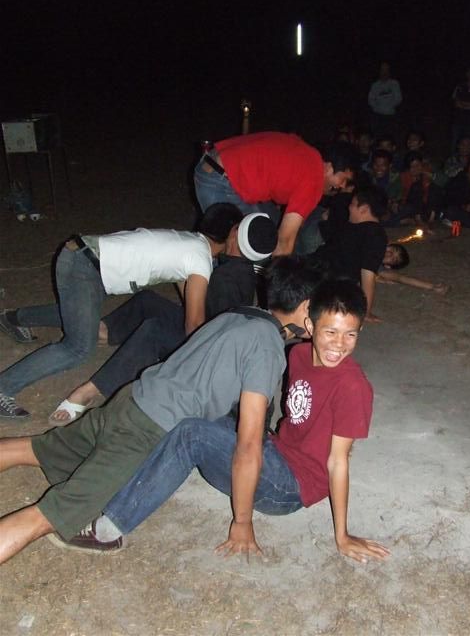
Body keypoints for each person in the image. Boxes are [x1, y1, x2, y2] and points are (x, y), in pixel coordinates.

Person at [0, 257, 322, 565]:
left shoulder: (239, 315)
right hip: (146, 430)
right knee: (49, 516)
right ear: (306, 308)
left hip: (131, 400)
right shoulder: (267, 345)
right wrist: (243, 520)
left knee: (33, 448)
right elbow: (248, 443)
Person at [48, 279, 389, 566]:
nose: (339, 344)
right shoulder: (298, 354)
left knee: (192, 433)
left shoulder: (353, 386)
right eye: (331, 332)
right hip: (276, 451)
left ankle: (108, 531)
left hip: (291, 486)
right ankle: (120, 479)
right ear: (310, 327)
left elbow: (338, 462)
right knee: (201, 415)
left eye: (350, 335)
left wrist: (341, 535)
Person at [0, 203, 243, 419]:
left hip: (83, 257)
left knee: (81, 318)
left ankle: (13, 318)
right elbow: (194, 325)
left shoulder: (190, 243)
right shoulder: (200, 257)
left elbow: (185, 286)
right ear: (233, 233)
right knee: (78, 348)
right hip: (85, 269)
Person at [49, 212, 278, 423]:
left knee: (154, 332)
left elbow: (198, 328)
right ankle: (103, 332)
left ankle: (88, 391)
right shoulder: (240, 269)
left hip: (209, 349)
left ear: (236, 234)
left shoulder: (227, 278)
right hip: (208, 329)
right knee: (147, 301)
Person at [194, 132, 358, 256]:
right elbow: (284, 243)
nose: (342, 186)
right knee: (248, 243)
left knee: (263, 230)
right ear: (329, 167)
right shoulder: (314, 179)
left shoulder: (310, 154)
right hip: (221, 181)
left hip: (216, 165)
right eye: (343, 179)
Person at [308, 187, 388, 323]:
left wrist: (366, 311)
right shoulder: (354, 226)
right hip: (316, 269)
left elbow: (368, 273)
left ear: (363, 209)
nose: (349, 207)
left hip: (324, 279)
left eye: (352, 204)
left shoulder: (374, 234)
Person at [443, 152, 470, 229]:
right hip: (461, 209)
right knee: (451, 211)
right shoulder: (461, 178)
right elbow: (450, 197)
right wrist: (464, 206)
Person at [368, 62, 402, 139]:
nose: (384, 72)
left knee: (390, 137)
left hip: (391, 115)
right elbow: (370, 100)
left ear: (389, 71)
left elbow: (398, 98)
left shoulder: (394, 83)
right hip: (377, 116)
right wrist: (378, 108)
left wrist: (389, 106)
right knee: (377, 137)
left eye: (386, 70)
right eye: (382, 70)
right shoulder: (375, 85)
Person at [451, 67, 470, 150]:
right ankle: (453, 157)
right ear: (466, 74)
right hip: (458, 119)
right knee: (455, 141)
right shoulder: (460, 86)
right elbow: (456, 103)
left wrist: (464, 104)